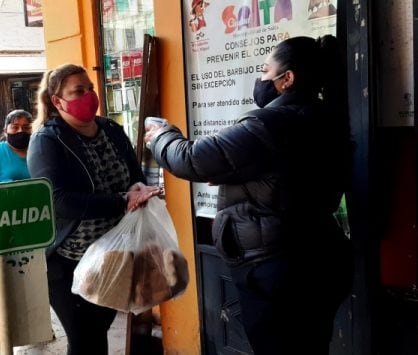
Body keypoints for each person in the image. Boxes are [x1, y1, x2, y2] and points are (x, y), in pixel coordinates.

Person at [144, 35, 352, 354]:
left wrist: (161, 135)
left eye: (265, 70)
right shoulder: (328, 117)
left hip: (277, 270)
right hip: (320, 258)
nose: (260, 78)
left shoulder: (269, 123)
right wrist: (236, 178)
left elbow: (189, 159)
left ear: (287, 79)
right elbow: (286, 178)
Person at [27, 63, 160, 355]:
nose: (88, 96)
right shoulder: (47, 140)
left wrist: (139, 188)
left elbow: (134, 174)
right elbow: (57, 200)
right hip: (68, 262)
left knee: (97, 334)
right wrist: (120, 201)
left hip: (114, 257)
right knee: (85, 340)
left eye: (90, 89)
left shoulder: (111, 129)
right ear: (57, 101)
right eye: (78, 91)